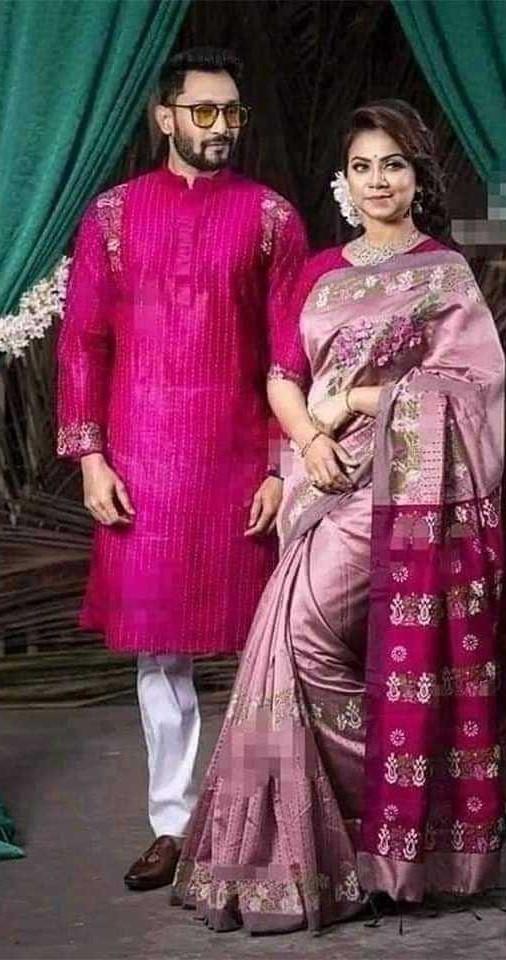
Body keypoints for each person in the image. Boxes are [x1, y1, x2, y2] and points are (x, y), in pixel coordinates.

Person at [171, 100, 506, 933]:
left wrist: (363, 401)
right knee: (290, 644)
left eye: (393, 165)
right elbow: (283, 375)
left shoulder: (443, 273)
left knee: (302, 636)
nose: (378, 181)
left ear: (417, 177)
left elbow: (473, 391)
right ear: (344, 180)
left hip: (401, 486)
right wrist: (311, 437)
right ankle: (368, 828)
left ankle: (402, 804)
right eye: (363, 167)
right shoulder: (320, 271)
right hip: (320, 476)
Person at [56, 47, 308, 891]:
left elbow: (291, 352)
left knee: (267, 647)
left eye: (231, 111)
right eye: (203, 110)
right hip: (142, 465)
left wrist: (281, 467)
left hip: (241, 468)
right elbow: (83, 342)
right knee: (159, 654)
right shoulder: (111, 215)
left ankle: (257, 822)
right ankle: (172, 823)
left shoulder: (272, 218)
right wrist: (91, 457)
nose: (220, 126)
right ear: (164, 116)